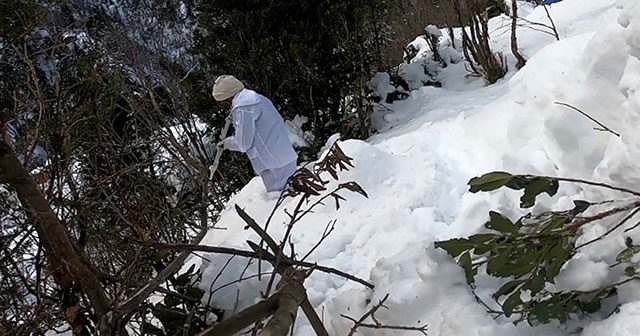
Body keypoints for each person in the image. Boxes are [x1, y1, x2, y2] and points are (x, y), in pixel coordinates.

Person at [212, 75, 298, 192]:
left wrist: (227, 143)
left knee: (282, 199)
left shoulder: (243, 108)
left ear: (228, 97)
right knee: (296, 194)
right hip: (285, 156)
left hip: (273, 165)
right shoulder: (258, 98)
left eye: (222, 102)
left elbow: (243, 143)